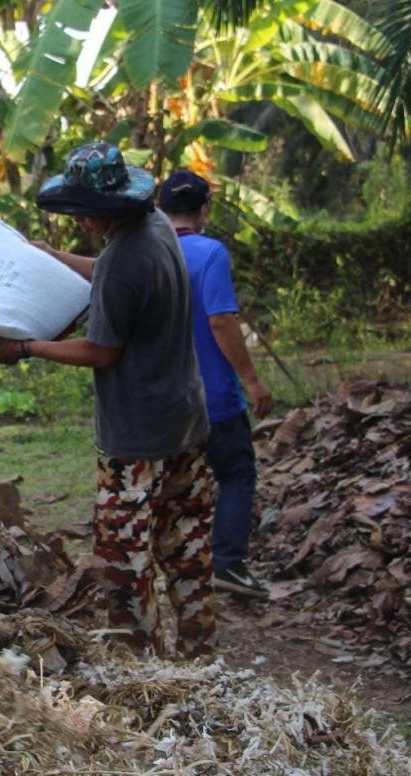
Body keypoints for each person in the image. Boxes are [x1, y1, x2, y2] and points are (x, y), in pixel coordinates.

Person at [0, 142, 215, 658]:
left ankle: (139, 664)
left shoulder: (123, 260)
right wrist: (53, 258)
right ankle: (200, 652)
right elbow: (108, 271)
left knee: (123, 558)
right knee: (186, 547)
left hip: (136, 437)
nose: (79, 220)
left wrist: (24, 348)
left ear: (107, 209)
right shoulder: (155, 225)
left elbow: (101, 351)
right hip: (186, 420)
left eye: (84, 211)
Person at [158, 170, 273, 598]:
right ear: (205, 209)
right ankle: (228, 562)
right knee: (236, 473)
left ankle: (173, 566)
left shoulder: (147, 253)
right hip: (214, 395)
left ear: (159, 209)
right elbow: (221, 320)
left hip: (163, 396)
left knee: (175, 483)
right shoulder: (210, 253)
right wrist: (253, 381)